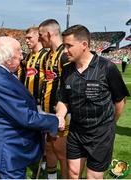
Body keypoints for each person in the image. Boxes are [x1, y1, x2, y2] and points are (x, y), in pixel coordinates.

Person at [0, 36, 65, 179]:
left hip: (7, 145)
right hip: (10, 148)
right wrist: (54, 121)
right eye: (18, 51)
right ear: (7, 58)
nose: (22, 55)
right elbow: (24, 117)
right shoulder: (0, 80)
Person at [56, 24, 130, 179]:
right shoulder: (67, 70)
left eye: (69, 46)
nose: (65, 51)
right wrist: (60, 115)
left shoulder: (107, 67)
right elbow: (63, 100)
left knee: (93, 177)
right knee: (73, 173)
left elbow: (120, 101)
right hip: (76, 131)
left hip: (101, 134)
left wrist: (110, 123)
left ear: (84, 45)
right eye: (64, 46)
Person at [39, 19, 69, 179]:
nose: (39, 38)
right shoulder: (48, 55)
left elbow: (70, 86)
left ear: (49, 34)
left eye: (41, 35)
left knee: (62, 154)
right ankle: (51, 178)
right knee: (49, 147)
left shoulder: (65, 54)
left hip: (61, 114)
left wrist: (63, 114)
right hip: (46, 111)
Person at [17, 26, 48, 178]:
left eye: (29, 38)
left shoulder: (47, 56)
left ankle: (45, 165)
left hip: (41, 104)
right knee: (29, 134)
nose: (27, 41)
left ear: (38, 37)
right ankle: (34, 159)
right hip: (27, 103)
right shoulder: (27, 58)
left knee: (44, 135)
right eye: (26, 38)